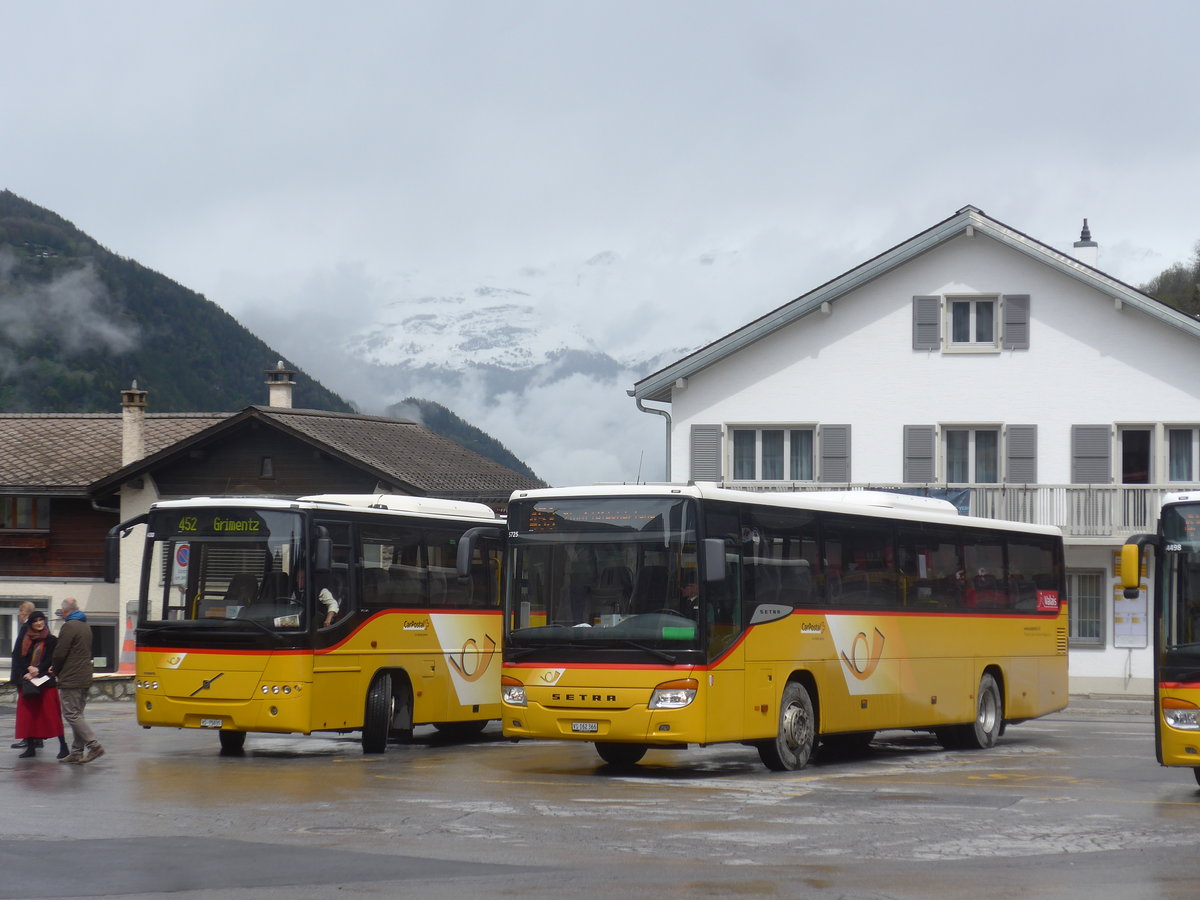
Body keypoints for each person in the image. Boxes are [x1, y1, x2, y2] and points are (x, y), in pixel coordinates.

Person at [50, 598, 103, 764]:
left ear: (64, 611)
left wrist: (55, 669)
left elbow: (60, 652)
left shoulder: (69, 626)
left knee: (71, 714)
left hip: (71, 677)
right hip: (84, 676)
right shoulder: (85, 626)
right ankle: (76, 752)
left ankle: (94, 745)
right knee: (78, 714)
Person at [12, 611, 68, 760]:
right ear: (30, 624)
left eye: (41, 620)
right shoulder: (24, 639)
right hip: (28, 681)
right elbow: (18, 657)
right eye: (35, 621)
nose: (39, 623)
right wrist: (28, 669)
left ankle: (63, 746)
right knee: (28, 716)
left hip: (45, 682)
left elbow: (51, 659)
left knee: (52, 715)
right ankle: (30, 747)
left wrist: (38, 670)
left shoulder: (51, 640)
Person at [9, 601, 37, 750]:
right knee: (33, 707)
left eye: (20, 612)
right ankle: (35, 738)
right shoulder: (33, 627)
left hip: (25, 674)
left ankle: (28, 738)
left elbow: (23, 652)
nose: (19, 615)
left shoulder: (27, 628)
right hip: (30, 673)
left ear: (24, 612)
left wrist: (23, 670)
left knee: (26, 708)